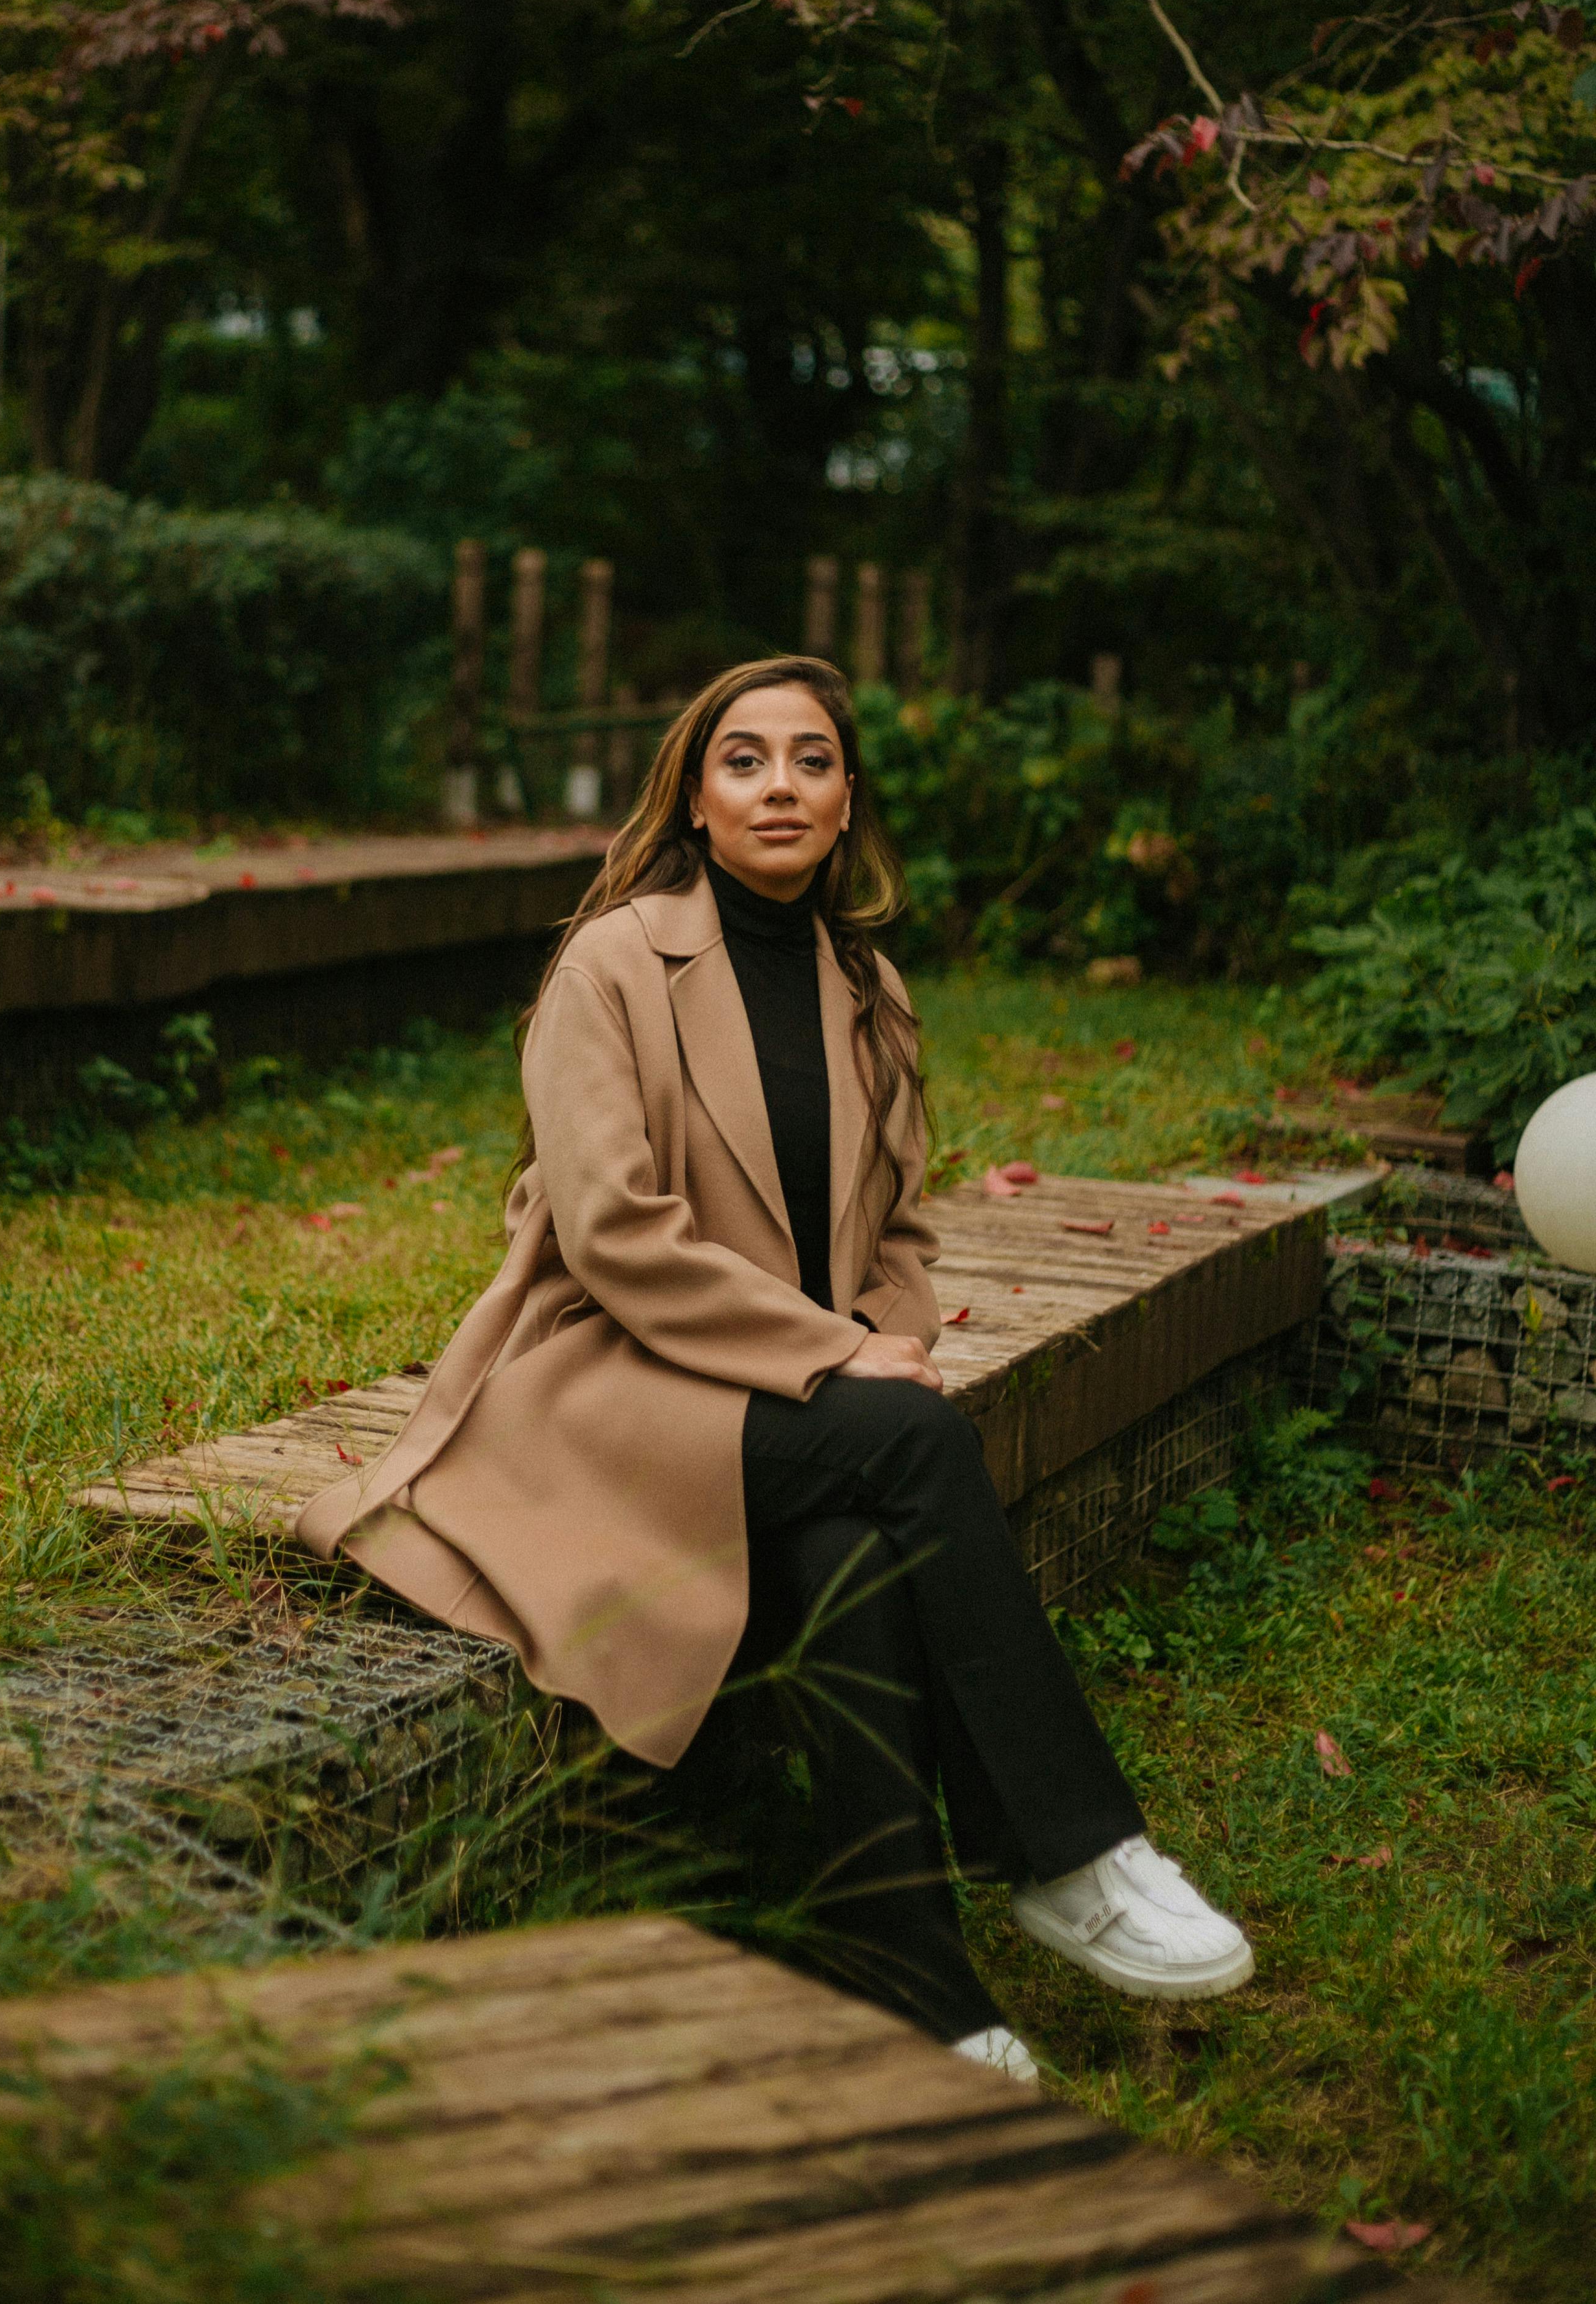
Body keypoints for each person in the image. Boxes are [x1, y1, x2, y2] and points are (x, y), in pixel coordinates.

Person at [294, 656, 1252, 2078]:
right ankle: (1072, 1849)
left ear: (846, 794)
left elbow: (904, 1229)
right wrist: (846, 1361)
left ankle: (907, 1977)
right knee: (913, 1448)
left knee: (855, 1553)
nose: (781, 786)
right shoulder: (612, 967)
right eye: (746, 761)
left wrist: (895, 1336)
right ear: (696, 793)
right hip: (612, 1385)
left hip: (791, 1400)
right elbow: (617, 1236)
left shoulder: (869, 987)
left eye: (811, 760)